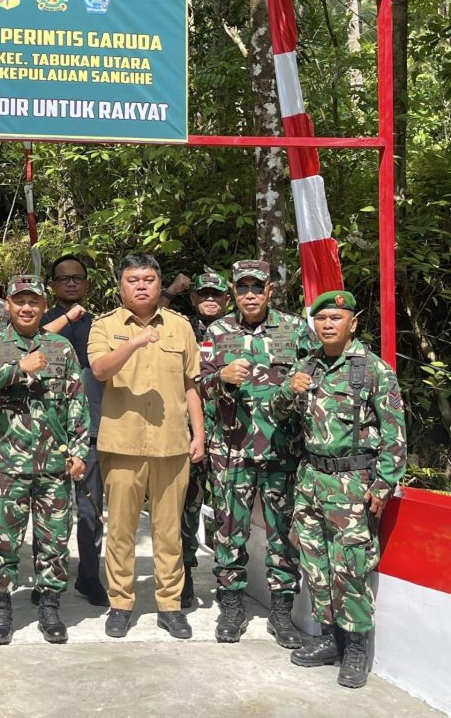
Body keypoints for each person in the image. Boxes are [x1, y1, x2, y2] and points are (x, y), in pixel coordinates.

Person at [271, 290, 407, 688]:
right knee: (316, 565)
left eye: (336, 317)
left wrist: (383, 484)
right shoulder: (308, 365)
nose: (328, 324)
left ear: (353, 322)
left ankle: (356, 650)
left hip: (352, 483)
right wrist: (287, 390)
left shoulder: (372, 371)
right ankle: (329, 639)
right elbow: (279, 414)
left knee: (351, 567)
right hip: (311, 479)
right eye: (322, 318)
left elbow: (395, 435)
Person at [0, 275, 90, 645]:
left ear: (42, 305)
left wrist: (80, 451)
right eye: (19, 301)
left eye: (33, 302)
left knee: (53, 540)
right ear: (8, 304)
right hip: (9, 463)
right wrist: (19, 368)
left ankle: (49, 606)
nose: (26, 308)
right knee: (2, 541)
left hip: (54, 463)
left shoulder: (61, 347)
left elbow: (75, 401)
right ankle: (2, 608)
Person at [88, 253, 206, 640]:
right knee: (121, 531)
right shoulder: (105, 326)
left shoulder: (180, 327)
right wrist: (135, 341)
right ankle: (121, 603)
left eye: (149, 279)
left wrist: (199, 434)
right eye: (133, 280)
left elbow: (191, 384)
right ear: (121, 286)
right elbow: (100, 371)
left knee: (168, 532)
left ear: (160, 284)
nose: (141, 286)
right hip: (122, 443)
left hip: (172, 443)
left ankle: (169, 606)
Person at [199, 260, 314, 645]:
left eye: (257, 287)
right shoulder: (218, 330)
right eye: (242, 288)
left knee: (282, 534)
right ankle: (232, 607)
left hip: (283, 449)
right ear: (233, 292)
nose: (249, 294)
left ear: (270, 291)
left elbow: (316, 376)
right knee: (230, 532)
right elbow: (198, 386)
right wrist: (221, 379)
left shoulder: (296, 329)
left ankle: (281, 613)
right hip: (231, 451)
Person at [40, 254, 109, 607]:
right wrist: (67, 318)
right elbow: (32, 347)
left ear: (87, 283)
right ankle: (45, 579)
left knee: (89, 508)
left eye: (77, 278)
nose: (70, 283)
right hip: (45, 431)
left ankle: (88, 575)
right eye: (63, 278)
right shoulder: (38, 319)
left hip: (90, 428)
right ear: (52, 284)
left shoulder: (100, 324)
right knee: (46, 510)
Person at [179, 268, 231, 608]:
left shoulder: (237, 333)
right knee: (185, 507)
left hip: (231, 437)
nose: (210, 300)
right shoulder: (180, 330)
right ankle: (183, 576)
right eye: (203, 294)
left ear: (227, 299)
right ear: (194, 298)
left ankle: (229, 586)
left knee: (228, 513)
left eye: (217, 295)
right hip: (188, 435)